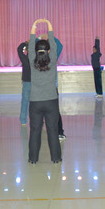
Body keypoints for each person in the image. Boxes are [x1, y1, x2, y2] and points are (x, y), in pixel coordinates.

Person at [27, 19, 62, 164]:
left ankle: (33, 159)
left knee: (35, 131)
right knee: (53, 130)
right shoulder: (52, 59)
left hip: (35, 102)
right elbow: (53, 44)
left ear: (35, 50)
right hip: (51, 101)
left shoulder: (32, 59)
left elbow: (30, 45)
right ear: (48, 50)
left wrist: (34, 26)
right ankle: (56, 158)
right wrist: (49, 24)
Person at [17, 41, 31, 126]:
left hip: (26, 82)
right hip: (36, 82)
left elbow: (19, 49)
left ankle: (23, 120)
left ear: (26, 50)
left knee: (25, 102)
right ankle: (39, 119)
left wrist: (25, 43)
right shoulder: (37, 58)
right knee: (37, 102)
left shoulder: (24, 58)